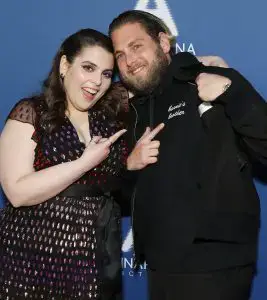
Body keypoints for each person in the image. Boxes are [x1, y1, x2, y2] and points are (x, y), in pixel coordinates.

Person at [108, 10, 267, 300]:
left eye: (136, 46)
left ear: (164, 42)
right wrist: (130, 167)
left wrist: (233, 91)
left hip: (217, 262)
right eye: (119, 54)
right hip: (161, 265)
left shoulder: (210, 78)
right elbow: (124, 200)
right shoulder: (135, 111)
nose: (129, 61)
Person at [0, 28, 129, 300]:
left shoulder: (108, 121)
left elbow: (153, 76)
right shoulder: (31, 112)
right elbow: (16, 192)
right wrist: (83, 163)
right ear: (64, 65)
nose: (97, 82)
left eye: (106, 74)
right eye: (88, 68)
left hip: (92, 264)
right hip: (31, 265)